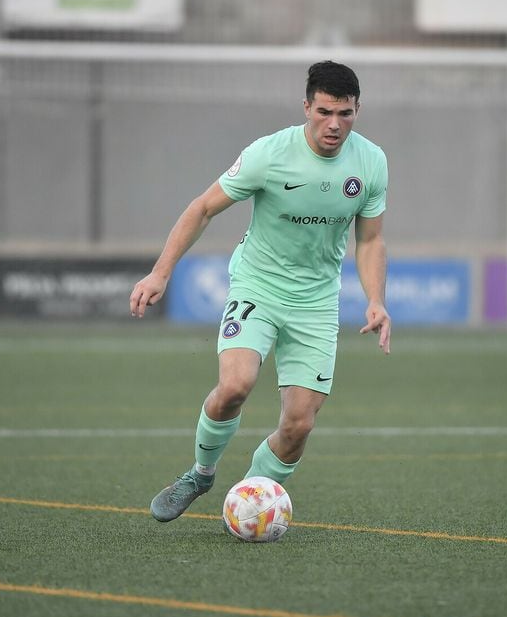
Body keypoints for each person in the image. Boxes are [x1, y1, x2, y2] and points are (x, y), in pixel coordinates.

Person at [129, 60, 391, 523]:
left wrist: (375, 299)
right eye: (325, 111)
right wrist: (160, 273)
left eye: (345, 114)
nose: (334, 124)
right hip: (259, 286)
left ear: (357, 110)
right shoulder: (268, 154)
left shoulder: (371, 162)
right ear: (306, 106)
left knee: (298, 425)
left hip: (315, 302)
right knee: (234, 386)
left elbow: (368, 239)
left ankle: (250, 497)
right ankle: (200, 473)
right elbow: (203, 208)